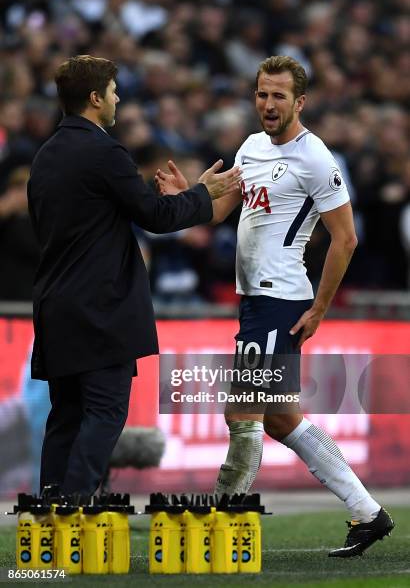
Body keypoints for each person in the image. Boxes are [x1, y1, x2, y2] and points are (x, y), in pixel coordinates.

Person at [155, 55, 394, 557]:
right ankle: (369, 513)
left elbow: (345, 239)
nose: (267, 103)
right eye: (262, 93)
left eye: (278, 96)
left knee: (242, 412)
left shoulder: (316, 158)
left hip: (279, 299)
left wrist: (321, 308)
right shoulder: (252, 146)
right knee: (282, 419)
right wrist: (189, 200)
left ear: (299, 102)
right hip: (255, 301)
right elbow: (225, 208)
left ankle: (218, 525)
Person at [27, 55, 240, 498]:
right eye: (112, 90)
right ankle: (76, 504)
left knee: (65, 415)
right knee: (104, 412)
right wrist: (203, 194)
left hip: (55, 304)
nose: (117, 97)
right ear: (94, 98)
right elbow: (155, 216)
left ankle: (49, 508)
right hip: (99, 308)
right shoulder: (104, 150)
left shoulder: (45, 157)